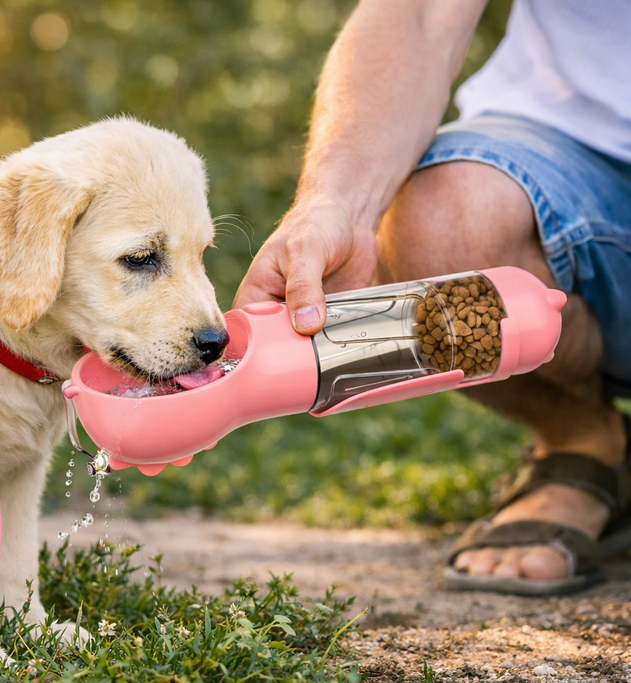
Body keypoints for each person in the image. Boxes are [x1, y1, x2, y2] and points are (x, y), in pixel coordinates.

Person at [235, 0, 631, 595]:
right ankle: (584, 442)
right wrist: (335, 203)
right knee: (443, 225)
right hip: (570, 146)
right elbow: (417, 14)